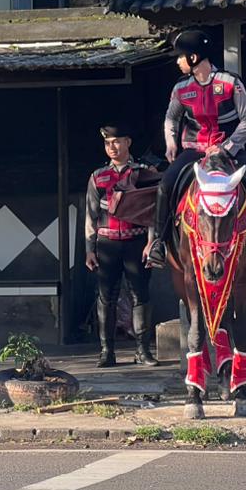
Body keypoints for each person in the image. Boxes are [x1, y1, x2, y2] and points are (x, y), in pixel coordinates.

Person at [145, 28, 246, 271]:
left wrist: (227, 147)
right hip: (193, 151)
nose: (178, 61)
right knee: (166, 184)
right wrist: (171, 142)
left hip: (228, 151)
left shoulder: (231, 83)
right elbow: (171, 118)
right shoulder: (180, 88)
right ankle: (159, 242)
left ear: (195, 57)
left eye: (181, 56)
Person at [85, 124, 157, 368]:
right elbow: (91, 214)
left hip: (137, 241)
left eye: (116, 142)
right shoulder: (98, 176)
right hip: (106, 244)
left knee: (141, 296)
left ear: (128, 142)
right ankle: (107, 352)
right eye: (107, 144)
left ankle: (143, 350)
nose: (112, 148)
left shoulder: (144, 172)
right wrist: (89, 249)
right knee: (106, 298)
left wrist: (151, 242)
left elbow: (153, 212)